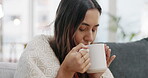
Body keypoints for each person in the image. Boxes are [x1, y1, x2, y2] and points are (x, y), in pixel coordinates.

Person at [14, 0, 116, 78]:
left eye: (94, 30)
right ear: (64, 27)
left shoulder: (91, 58)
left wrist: (94, 76)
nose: (90, 37)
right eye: (82, 28)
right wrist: (66, 71)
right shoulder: (38, 52)